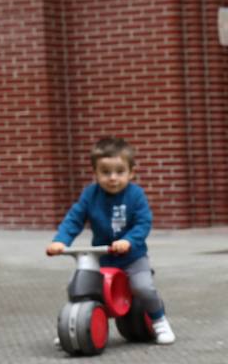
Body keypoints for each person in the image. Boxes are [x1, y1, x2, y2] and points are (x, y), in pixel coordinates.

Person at [45, 136, 175, 344]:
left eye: (119, 172)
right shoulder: (90, 195)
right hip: (102, 256)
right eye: (105, 172)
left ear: (131, 172)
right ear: (95, 173)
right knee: (78, 286)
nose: (112, 178)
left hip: (132, 257)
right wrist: (61, 241)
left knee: (143, 287)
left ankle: (159, 321)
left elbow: (143, 223)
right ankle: (75, 323)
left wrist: (129, 241)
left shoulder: (136, 195)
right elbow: (74, 219)